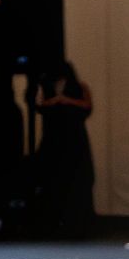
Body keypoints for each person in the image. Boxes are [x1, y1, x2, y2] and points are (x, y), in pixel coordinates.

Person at [35, 60, 94, 234]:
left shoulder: (80, 86)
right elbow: (39, 104)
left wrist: (66, 100)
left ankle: (77, 220)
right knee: (53, 177)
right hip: (54, 138)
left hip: (74, 138)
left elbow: (87, 105)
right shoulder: (46, 86)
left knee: (77, 177)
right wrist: (55, 100)